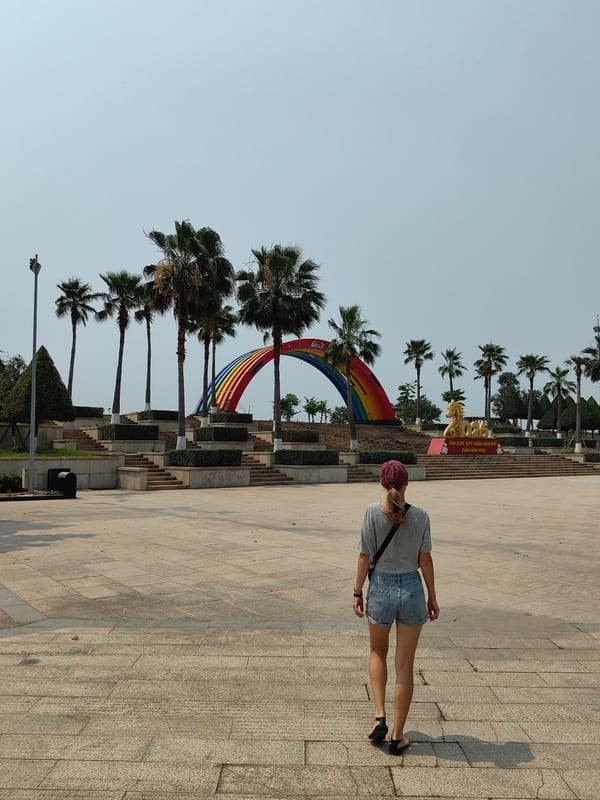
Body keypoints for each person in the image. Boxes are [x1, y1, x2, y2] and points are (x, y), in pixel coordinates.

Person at [352, 460, 439, 755]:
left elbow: (364, 557)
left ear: (381, 484)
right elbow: (425, 559)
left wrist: (357, 591)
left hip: (380, 589)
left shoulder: (370, 513)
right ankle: (398, 736)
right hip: (412, 589)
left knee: (377, 651)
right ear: (406, 484)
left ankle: (379, 715)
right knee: (405, 666)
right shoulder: (422, 516)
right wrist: (432, 596)